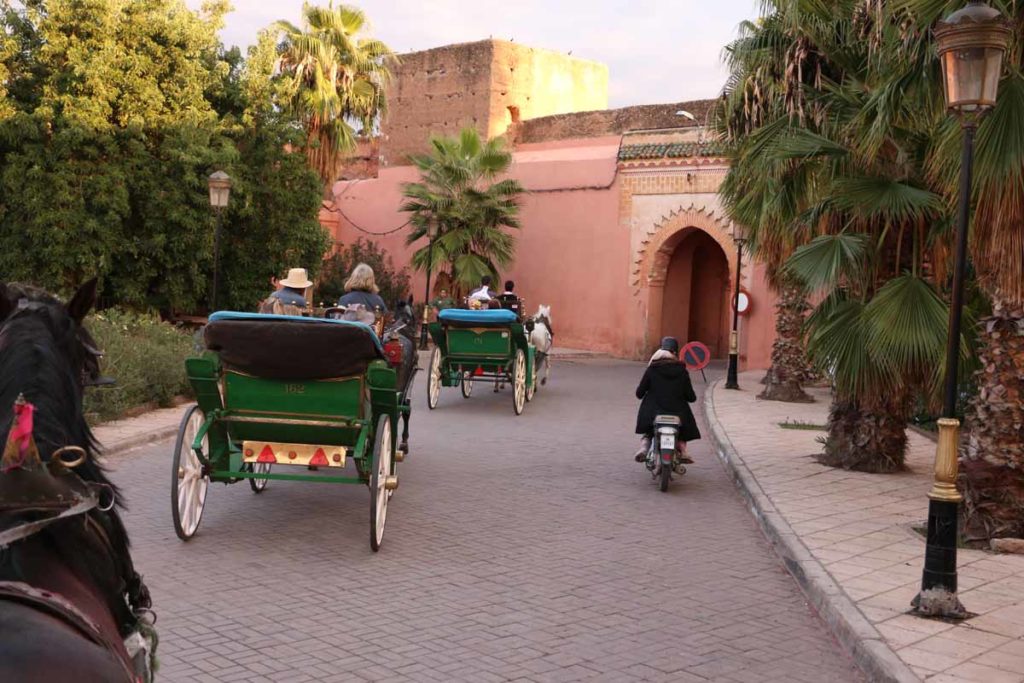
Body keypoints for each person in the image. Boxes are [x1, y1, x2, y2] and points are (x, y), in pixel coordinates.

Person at [634, 336, 700, 462]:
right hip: (677, 413)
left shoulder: (652, 369)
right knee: (683, 431)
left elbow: (639, 393)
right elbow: (691, 397)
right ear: (675, 352)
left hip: (653, 412)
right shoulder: (682, 371)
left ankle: (644, 447)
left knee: (648, 430)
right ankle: (683, 450)